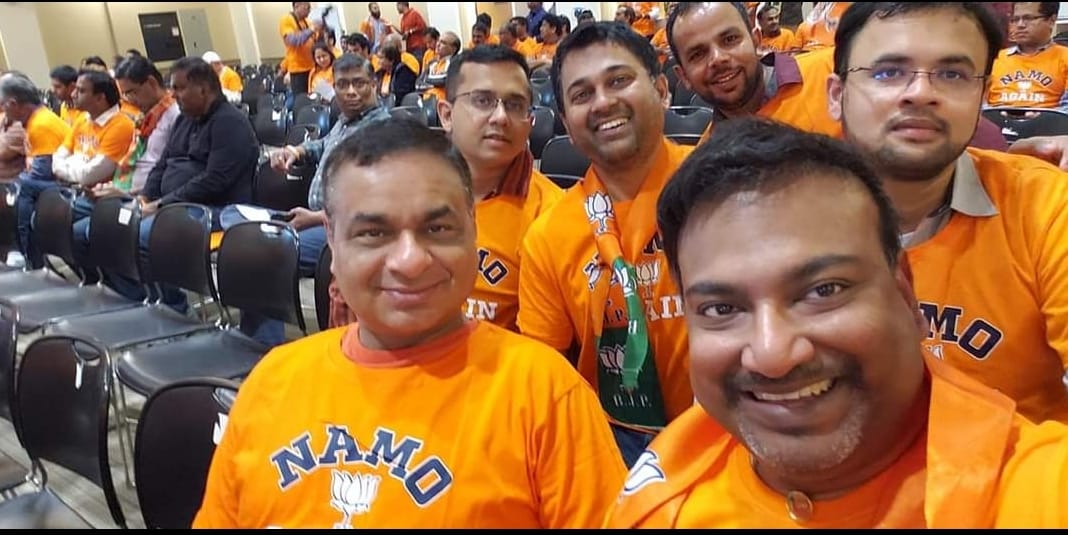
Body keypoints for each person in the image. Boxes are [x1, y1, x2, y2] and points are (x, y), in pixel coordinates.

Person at [604, 116, 1068, 529]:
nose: (772, 354)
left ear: (905, 292)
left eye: (823, 291)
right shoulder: (658, 498)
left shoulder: (1037, 488)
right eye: (721, 309)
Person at [193, 119, 626, 529]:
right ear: (332, 241)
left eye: (437, 228)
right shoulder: (270, 383)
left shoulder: (547, 395)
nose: (410, 261)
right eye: (374, 233)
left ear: (473, 231)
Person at [825, 2, 1068, 423]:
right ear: (836, 94)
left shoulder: (1047, 206)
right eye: (888, 72)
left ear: (983, 94)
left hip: (1018, 460)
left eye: (953, 74)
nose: (921, 92)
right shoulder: (778, 219)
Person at [518, 22, 694, 468]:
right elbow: (546, 375)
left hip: (734, 425)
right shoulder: (548, 237)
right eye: (582, 94)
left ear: (661, 89)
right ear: (566, 123)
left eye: (618, 81)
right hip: (614, 443)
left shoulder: (723, 189)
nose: (602, 102)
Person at [668, 2, 1010, 151]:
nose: (718, 59)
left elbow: (956, 129)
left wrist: (1005, 158)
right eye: (698, 54)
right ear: (682, 77)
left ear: (757, 40)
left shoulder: (834, 69)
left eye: (730, 39)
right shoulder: (709, 154)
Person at [108, 57, 257, 314]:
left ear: (204, 89)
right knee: (115, 227)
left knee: (141, 234)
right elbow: (162, 164)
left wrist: (161, 205)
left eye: (179, 88)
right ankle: (147, 300)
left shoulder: (229, 123)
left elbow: (214, 181)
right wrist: (146, 196)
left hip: (215, 210)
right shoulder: (185, 119)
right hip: (175, 206)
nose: (173, 94)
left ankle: (173, 308)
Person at [70, 55, 180, 278]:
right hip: (124, 190)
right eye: (125, 94)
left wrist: (127, 193)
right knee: (68, 224)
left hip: (145, 197)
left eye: (131, 92)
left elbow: (167, 170)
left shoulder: (175, 116)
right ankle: (110, 287)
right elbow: (134, 162)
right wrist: (114, 187)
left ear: (151, 83)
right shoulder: (147, 115)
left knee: (92, 232)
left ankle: (133, 291)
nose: (129, 99)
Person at [0, 72, 70, 269]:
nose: (2, 111)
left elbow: (42, 173)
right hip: (46, 185)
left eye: (3, 105)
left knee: (22, 189)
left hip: (61, 189)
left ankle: (30, 260)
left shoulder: (41, 124)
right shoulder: (33, 120)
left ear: (13, 104)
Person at [986, 2, 1068, 112]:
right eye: (1015, 19)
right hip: (997, 119)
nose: (1020, 25)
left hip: (1049, 121)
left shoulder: (1064, 57)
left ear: (1051, 21)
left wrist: (1042, 118)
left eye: (1028, 18)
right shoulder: (994, 58)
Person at [280, 1, 322, 96]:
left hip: (312, 67)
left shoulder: (307, 22)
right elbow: (294, 41)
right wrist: (312, 30)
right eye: (307, 7)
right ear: (297, 5)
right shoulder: (286, 20)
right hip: (298, 70)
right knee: (302, 100)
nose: (309, 10)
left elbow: (315, 42)